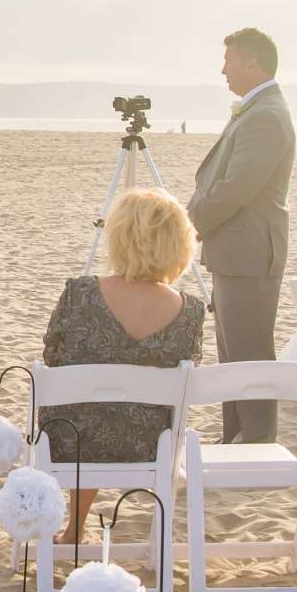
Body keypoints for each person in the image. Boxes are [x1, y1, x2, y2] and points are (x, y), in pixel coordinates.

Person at [39, 189, 207, 538]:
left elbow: (52, 357)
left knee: (89, 410)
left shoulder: (79, 294)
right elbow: (189, 373)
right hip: (150, 445)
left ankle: (74, 529)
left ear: (119, 237)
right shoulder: (190, 312)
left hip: (70, 442)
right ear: (179, 244)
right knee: (115, 411)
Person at [187, 27, 294, 442]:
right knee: (231, 353)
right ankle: (235, 435)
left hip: (250, 252)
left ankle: (257, 438)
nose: (223, 70)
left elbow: (237, 188)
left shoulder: (266, 115)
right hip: (235, 251)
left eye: (229, 60)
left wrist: (191, 222)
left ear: (253, 63)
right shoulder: (256, 110)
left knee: (249, 351)